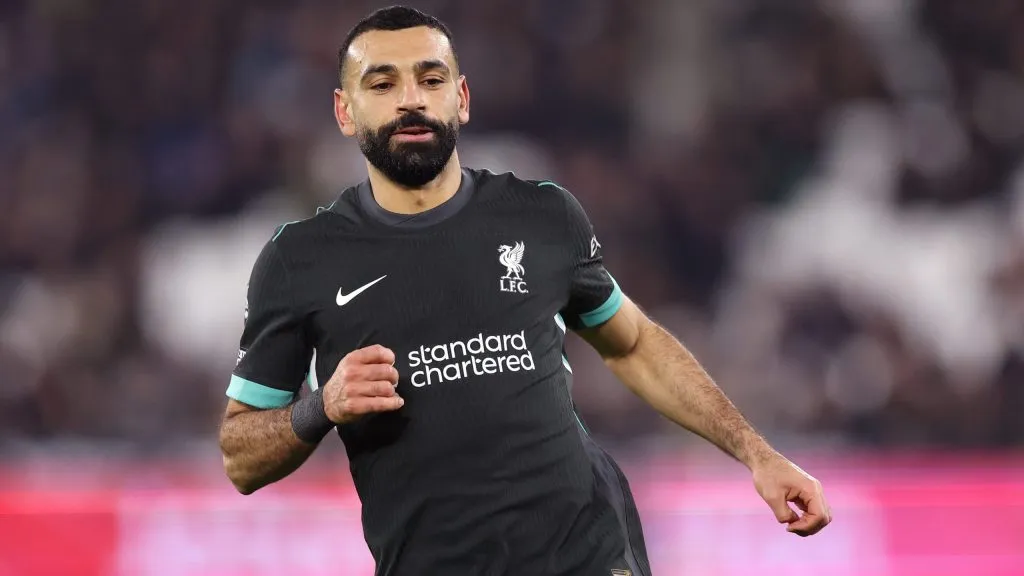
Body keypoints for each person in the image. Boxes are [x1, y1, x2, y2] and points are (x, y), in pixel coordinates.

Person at [218, 5, 832, 575]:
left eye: (431, 80)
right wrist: (320, 406)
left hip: (587, 552)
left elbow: (633, 343)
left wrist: (758, 454)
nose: (411, 100)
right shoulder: (301, 259)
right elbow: (240, 457)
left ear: (461, 100)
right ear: (344, 111)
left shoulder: (540, 216)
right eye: (382, 84)